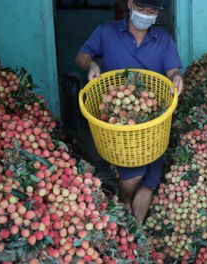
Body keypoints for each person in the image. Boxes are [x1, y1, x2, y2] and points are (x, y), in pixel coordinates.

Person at [75, 0, 184, 222]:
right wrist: (92, 65)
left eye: (151, 11)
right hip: (119, 126)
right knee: (134, 175)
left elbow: (173, 71)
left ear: (158, 14)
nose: (146, 15)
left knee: (149, 182)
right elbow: (82, 56)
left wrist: (177, 78)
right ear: (130, 4)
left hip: (154, 121)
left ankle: (138, 231)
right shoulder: (106, 31)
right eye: (142, 9)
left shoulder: (163, 40)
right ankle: (124, 202)